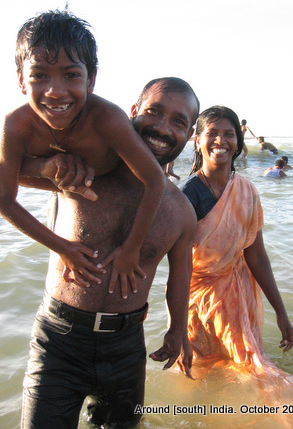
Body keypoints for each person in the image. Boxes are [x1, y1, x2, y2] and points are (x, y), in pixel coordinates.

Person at [19, 77, 200, 428]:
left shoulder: (180, 211)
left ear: (190, 134)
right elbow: (9, 174)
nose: (162, 128)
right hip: (59, 339)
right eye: (154, 111)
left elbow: (181, 276)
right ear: (133, 112)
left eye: (178, 121)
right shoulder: (86, 170)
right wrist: (45, 168)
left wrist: (179, 330)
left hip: (126, 347)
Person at [0, 9, 166, 294]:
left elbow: (155, 180)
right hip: (62, 184)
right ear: (21, 80)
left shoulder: (106, 118)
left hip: (108, 175)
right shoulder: (16, 125)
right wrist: (62, 247)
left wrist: (130, 249)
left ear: (91, 80)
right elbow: (3, 199)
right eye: (39, 75)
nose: (55, 90)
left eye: (71, 75)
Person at [181, 105, 293, 420]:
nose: (221, 141)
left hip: (241, 296)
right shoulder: (189, 193)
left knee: (245, 364)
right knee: (205, 370)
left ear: (238, 143)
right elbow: (180, 265)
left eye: (229, 134)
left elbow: (256, 255)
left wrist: (281, 313)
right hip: (202, 300)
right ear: (197, 140)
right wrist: (178, 331)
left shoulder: (247, 190)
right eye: (212, 134)